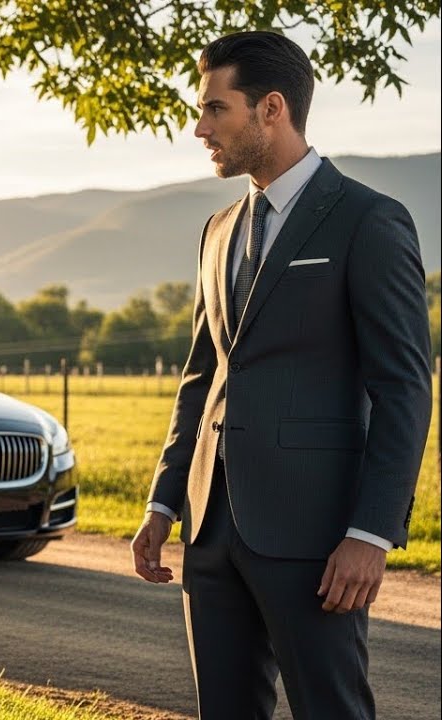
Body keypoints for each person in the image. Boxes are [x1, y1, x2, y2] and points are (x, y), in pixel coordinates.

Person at [130, 31, 433, 719]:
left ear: (271, 109)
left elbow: (404, 387)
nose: (199, 126)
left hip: (315, 538)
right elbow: (200, 377)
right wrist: (163, 502)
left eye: (215, 108)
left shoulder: (369, 220)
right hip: (210, 532)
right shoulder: (218, 228)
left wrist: (372, 532)